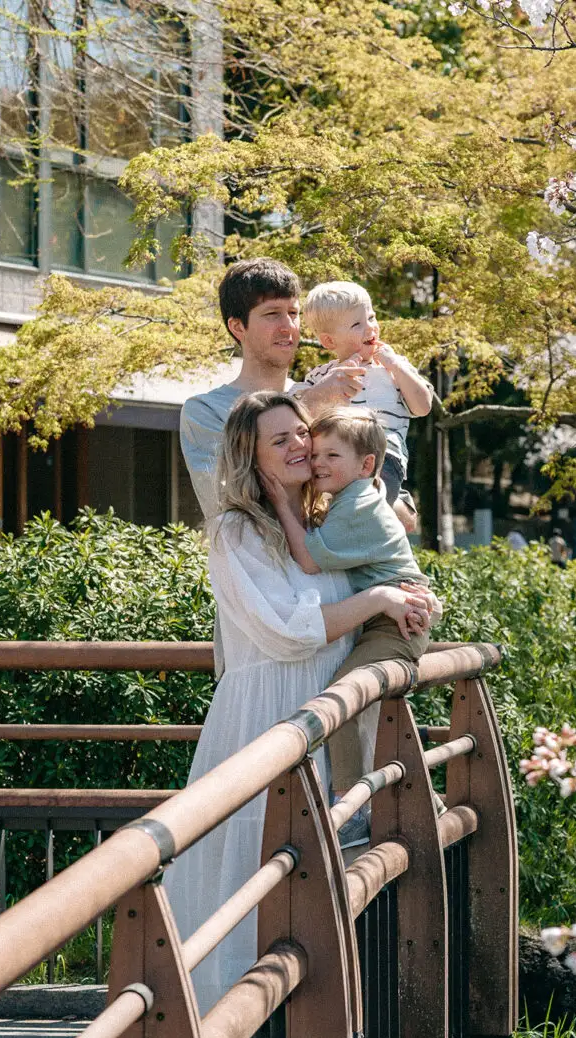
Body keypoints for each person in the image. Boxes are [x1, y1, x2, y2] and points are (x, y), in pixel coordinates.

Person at [164, 391, 438, 1011]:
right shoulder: (237, 531)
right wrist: (378, 602)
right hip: (269, 709)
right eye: (280, 440)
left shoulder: (328, 518)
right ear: (252, 457)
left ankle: (317, 1019)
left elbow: (383, 574)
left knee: (322, 872)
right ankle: (227, 1017)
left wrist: (405, 600)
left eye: (301, 434)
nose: (299, 446)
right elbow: (287, 628)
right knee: (255, 863)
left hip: (331, 702)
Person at [274, 407, 430, 845]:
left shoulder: (359, 504)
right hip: (388, 614)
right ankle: (423, 801)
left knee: (344, 699)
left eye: (332, 456)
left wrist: (281, 501)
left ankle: (351, 807)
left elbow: (307, 557)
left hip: (397, 619)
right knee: (368, 709)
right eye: (316, 454)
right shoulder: (354, 497)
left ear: (366, 465)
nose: (318, 463)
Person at [180, 259, 364, 519]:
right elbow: (229, 504)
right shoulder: (206, 411)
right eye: (272, 314)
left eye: (293, 313)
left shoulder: (327, 396)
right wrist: (307, 406)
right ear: (237, 327)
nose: (288, 326)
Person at [297, 281, 434, 507]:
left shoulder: (393, 369)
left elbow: (422, 407)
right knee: (328, 508)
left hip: (383, 456)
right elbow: (305, 415)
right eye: (357, 324)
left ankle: (371, 514)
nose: (371, 328)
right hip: (333, 460)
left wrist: (396, 367)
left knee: (370, 502)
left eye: (371, 317)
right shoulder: (321, 377)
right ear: (329, 341)